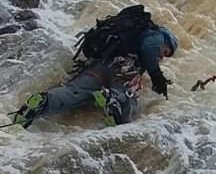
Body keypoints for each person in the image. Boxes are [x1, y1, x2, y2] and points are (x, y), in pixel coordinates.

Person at [11, 8, 178, 128]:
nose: (162, 56)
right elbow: (148, 49)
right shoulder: (155, 35)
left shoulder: (130, 33)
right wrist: (157, 76)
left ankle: (44, 102)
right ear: (165, 40)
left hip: (100, 64)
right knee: (128, 95)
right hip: (124, 67)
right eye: (165, 52)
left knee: (75, 92)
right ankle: (113, 101)